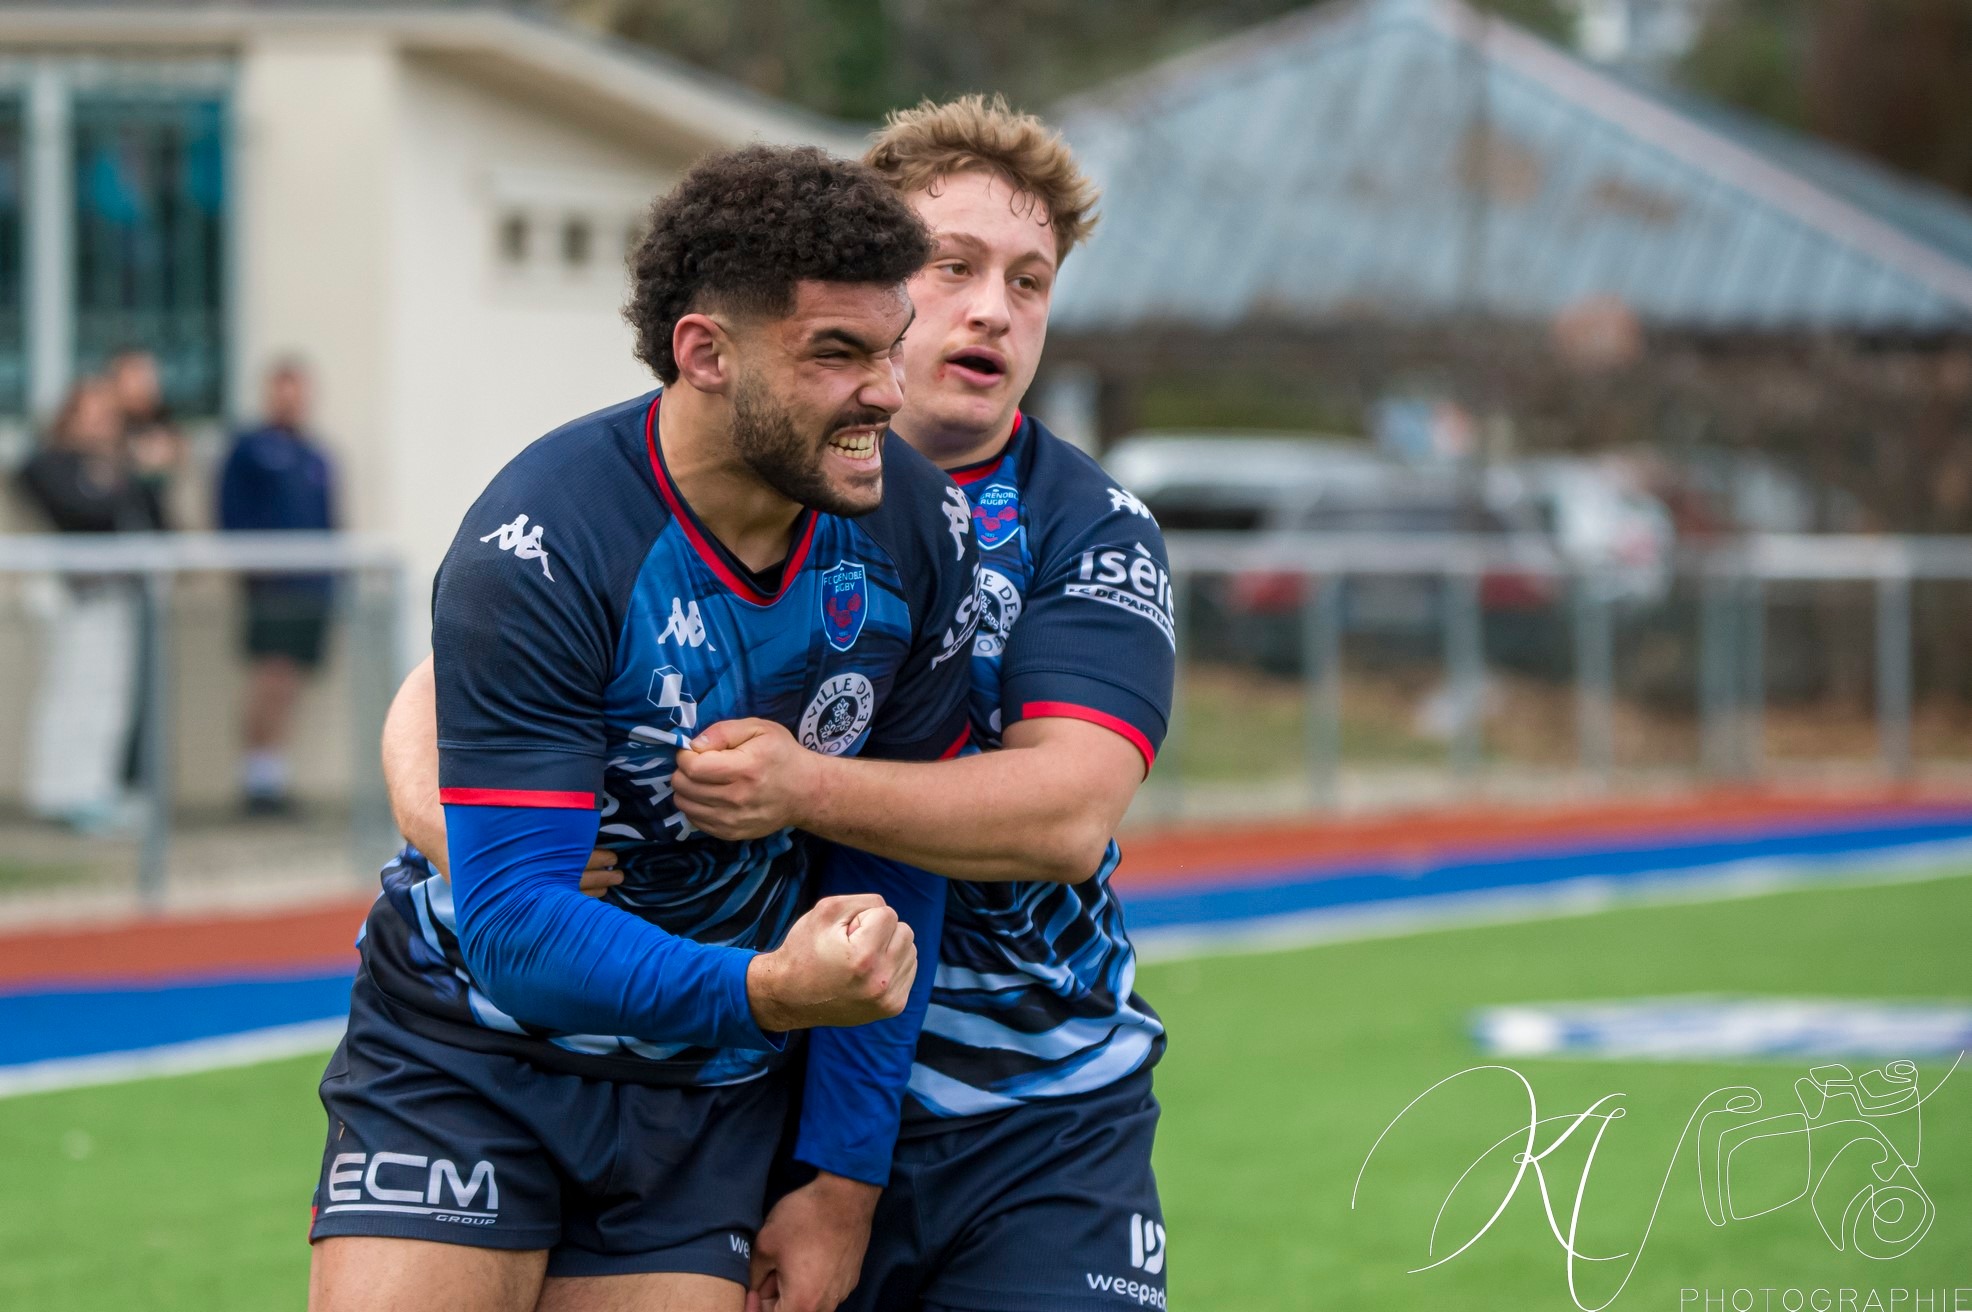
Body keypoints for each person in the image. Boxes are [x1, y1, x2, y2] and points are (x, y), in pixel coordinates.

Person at [384, 97, 1178, 1312]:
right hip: (752, 1071)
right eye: (949, 267)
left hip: (1021, 1100)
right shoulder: (698, 461)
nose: (990, 309)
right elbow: (454, 696)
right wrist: (452, 821)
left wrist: (802, 787)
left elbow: (1067, 812)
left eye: (1030, 280)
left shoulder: (1081, 524)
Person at [307, 144, 982, 1312]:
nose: (884, 389)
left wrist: (842, 1180)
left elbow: (895, 864)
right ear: (705, 352)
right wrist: (771, 985)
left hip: (707, 1096)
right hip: (470, 1055)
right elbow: (514, 925)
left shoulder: (919, 532)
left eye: (888, 345)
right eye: (836, 352)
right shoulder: (548, 537)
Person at [15, 376, 170, 830]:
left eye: (110, 416)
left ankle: (97, 787)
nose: (104, 425)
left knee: (110, 700)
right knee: (72, 695)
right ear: (70, 416)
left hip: (119, 597)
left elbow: (156, 522)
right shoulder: (47, 464)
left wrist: (146, 474)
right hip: (76, 600)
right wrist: (122, 473)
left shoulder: (120, 467)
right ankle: (62, 792)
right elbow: (83, 510)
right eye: (93, 413)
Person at [217, 359, 338, 815]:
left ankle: (272, 777)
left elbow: (330, 520)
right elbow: (229, 512)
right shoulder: (249, 449)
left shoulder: (316, 455)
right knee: (270, 678)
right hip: (271, 587)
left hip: (311, 588)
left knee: (290, 684)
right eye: (283, 389)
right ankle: (257, 781)